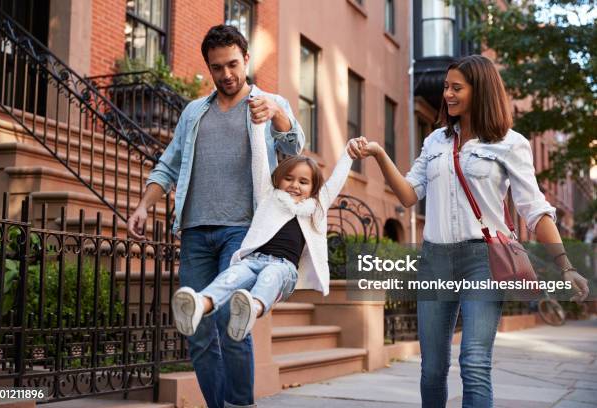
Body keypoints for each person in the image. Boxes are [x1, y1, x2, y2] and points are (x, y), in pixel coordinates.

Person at [357, 55, 589, 407]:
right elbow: (407, 195)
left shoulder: (511, 143)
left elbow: (535, 211)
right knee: (432, 368)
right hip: (435, 259)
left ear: (479, 91)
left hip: (483, 260)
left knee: (475, 362)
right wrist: (378, 153)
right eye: (446, 87)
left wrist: (566, 265)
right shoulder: (435, 141)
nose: (446, 94)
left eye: (456, 88)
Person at [127, 25, 305, 408]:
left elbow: (294, 154)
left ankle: (240, 404)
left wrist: (277, 116)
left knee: (230, 324)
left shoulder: (268, 103)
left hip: (242, 233)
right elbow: (168, 164)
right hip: (194, 233)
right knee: (198, 331)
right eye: (217, 67)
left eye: (233, 65)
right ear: (208, 67)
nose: (226, 74)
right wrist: (144, 204)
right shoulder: (195, 112)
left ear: (246, 59)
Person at [171, 123, 363, 341]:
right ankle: (199, 304)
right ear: (279, 178)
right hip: (252, 260)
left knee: (271, 275)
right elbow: (260, 159)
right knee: (231, 276)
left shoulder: (316, 208)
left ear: (314, 188)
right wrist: (256, 125)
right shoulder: (268, 197)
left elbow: (336, 180)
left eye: (303, 182)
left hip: (284, 268)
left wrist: (349, 152)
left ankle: (252, 308)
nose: (295, 185)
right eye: (289, 178)